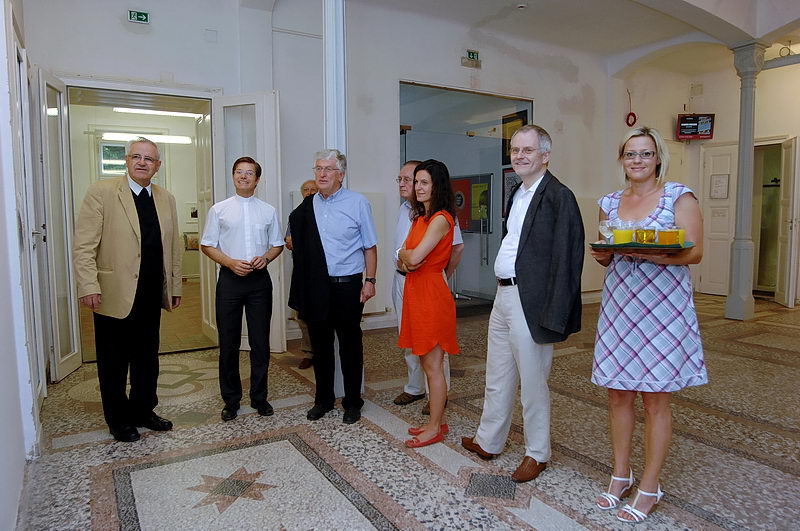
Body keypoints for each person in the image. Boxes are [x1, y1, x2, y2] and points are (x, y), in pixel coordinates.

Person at [589, 126, 706, 523]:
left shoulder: (679, 196)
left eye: (645, 153)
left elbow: (694, 252)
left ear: (658, 159)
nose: (637, 160)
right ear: (622, 160)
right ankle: (620, 474)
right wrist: (603, 254)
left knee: (655, 398)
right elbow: (606, 252)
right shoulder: (608, 202)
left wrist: (653, 256)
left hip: (663, 308)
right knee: (618, 394)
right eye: (630, 153)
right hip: (621, 306)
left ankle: (651, 486)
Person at [462, 125, 584, 482]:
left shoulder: (559, 196)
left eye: (527, 150)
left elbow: (568, 259)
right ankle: (489, 440)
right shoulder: (517, 192)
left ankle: (537, 453)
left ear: (545, 155)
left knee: (533, 382)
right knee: (497, 374)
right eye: (515, 150)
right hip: (503, 296)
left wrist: (554, 313)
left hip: (532, 301)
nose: (519, 156)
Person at [73, 137, 182, 442]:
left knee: (147, 358)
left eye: (149, 159)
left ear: (157, 166)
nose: (142, 162)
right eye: (136, 156)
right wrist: (88, 285)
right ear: (126, 160)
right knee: (114, 361)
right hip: (113, 292)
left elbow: (173, 247)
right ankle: (118, 419)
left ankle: (144, 411)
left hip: (150, 292)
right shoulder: (102, 192)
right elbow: (84, 246)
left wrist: (174, 285)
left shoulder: (166, 198)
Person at [288, 149, 378, 424]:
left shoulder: (357, 203)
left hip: (347, 286)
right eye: (318, 168)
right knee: (321, 346)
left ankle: (352, 402)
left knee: (350, 345)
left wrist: (370, 280)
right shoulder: (307, 206)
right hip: (316, 287)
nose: (322, 174)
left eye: (328, 169)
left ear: (341, 174)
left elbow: (370, 246)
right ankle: (323, 400)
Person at [200, 157, 284, 422]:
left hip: (259, 282)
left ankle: (259, 398)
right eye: (239, 172)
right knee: (229, 342)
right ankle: (231, 400)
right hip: (230, 280)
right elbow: (207, 244)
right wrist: (229, 262)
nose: (243, 176)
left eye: (249, 173)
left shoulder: (268, 211)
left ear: (257, 179)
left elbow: (277, 244)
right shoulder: (219, 210)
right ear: (233, 176)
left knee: (260, 342)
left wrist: (266, 258)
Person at [397, 160, 460, 448]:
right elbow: (405, 259)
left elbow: (411, 256)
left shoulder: (441, 219)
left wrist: (407, 256)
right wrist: (407, 256)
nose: (418, 187)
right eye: (416, 182)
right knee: (425, 361)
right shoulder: (421, 218)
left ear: (437, 186)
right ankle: (435, 420)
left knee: (433, 365)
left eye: (424, 182)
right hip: (417, 291)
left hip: (431, 294)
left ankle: (435, 427)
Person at [285, 179, 318, 370]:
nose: (310, 192)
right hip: (301, 272)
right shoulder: (295, 215)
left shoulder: (325, 213)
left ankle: (324, 351)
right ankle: (309, 352)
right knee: (302, 314)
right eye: (306, 190)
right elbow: (289, 241)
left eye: (313, 189)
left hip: (321, 274)